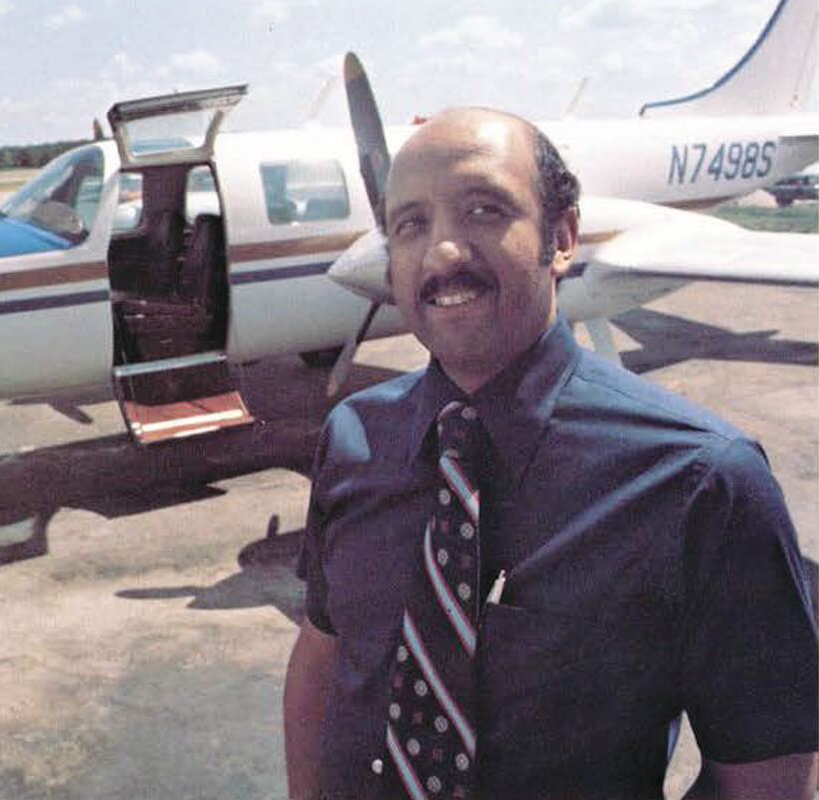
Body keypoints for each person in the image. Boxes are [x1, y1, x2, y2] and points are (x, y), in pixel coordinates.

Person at [283, 107, 818, 800]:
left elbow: (767, 780)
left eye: (483, 210)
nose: (442, 252)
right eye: (409, 224)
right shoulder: (354, 438)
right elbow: (323, 661)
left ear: (561, 237)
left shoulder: (705, 485)